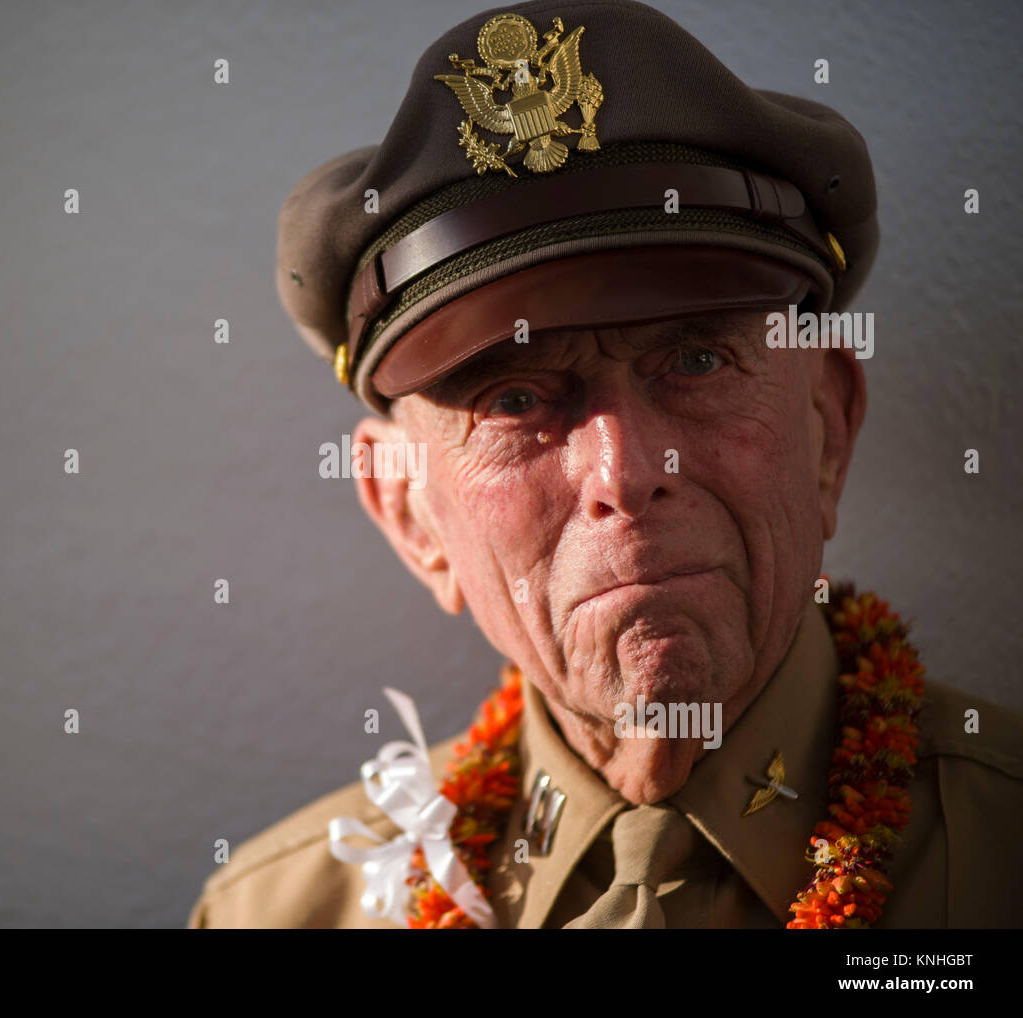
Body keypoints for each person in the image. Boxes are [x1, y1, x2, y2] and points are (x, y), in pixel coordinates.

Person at [189, 0, 1023, 929]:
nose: (624, 474)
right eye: (514, 402)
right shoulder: (280, 913)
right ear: (410, 514)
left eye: (696, 361)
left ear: (829, 428)